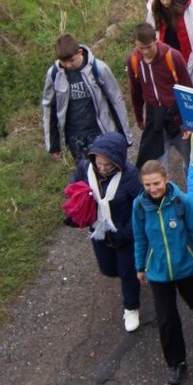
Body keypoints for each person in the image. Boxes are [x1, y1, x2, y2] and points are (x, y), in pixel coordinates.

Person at [132, 160, 193, 385]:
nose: (152, 189)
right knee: (167, 319)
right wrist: (140, 266)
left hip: (186, 267)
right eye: (147, 185)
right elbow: (139, 238)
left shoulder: (183, 202)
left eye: (156, 183)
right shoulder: (139, 206)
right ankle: (177, 362)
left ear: (166, 178)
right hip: (158, 272)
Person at [65, 131, 142, 333]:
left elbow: (140, 209)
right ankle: (134, 277)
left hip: (124, 231)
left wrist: (126, 233)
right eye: (99, 163)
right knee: (109, 269)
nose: (102, 168)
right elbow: (74, 186)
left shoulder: (130, 176)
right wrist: (76, 209)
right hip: (99, 230)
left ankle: (131, 307)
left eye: (108, 165)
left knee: (127, 272)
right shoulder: (85, 168)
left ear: (118, 162)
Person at [43, 33, 132, 164]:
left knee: (108, 169)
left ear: (80, 52)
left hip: (100, 133)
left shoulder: (98, 69)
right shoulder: (55, 74)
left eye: (71, 60)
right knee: (87, 177)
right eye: (63, 62)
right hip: (75, 138)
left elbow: (116, 101)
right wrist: (54, 145)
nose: (67, 65)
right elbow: (49, 108)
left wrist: (125, 137)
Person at [127, 22, 193, 170]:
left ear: (156, 41)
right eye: (140, 48)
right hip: (155, 119)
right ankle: (163, 192)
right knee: (157, 167)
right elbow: (135, 91)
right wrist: (139, 117)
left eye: (148, 47)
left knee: (192, 163)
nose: (145, 52)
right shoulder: (133, 61)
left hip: (177, 117)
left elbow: (187, 89)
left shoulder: (173, 56)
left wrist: (190, 122)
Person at [145, 0, 193, 87]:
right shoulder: (155, 11)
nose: (165, 2)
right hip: (165, 52)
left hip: (183, 52)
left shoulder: (188, 9)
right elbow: (151, 32)